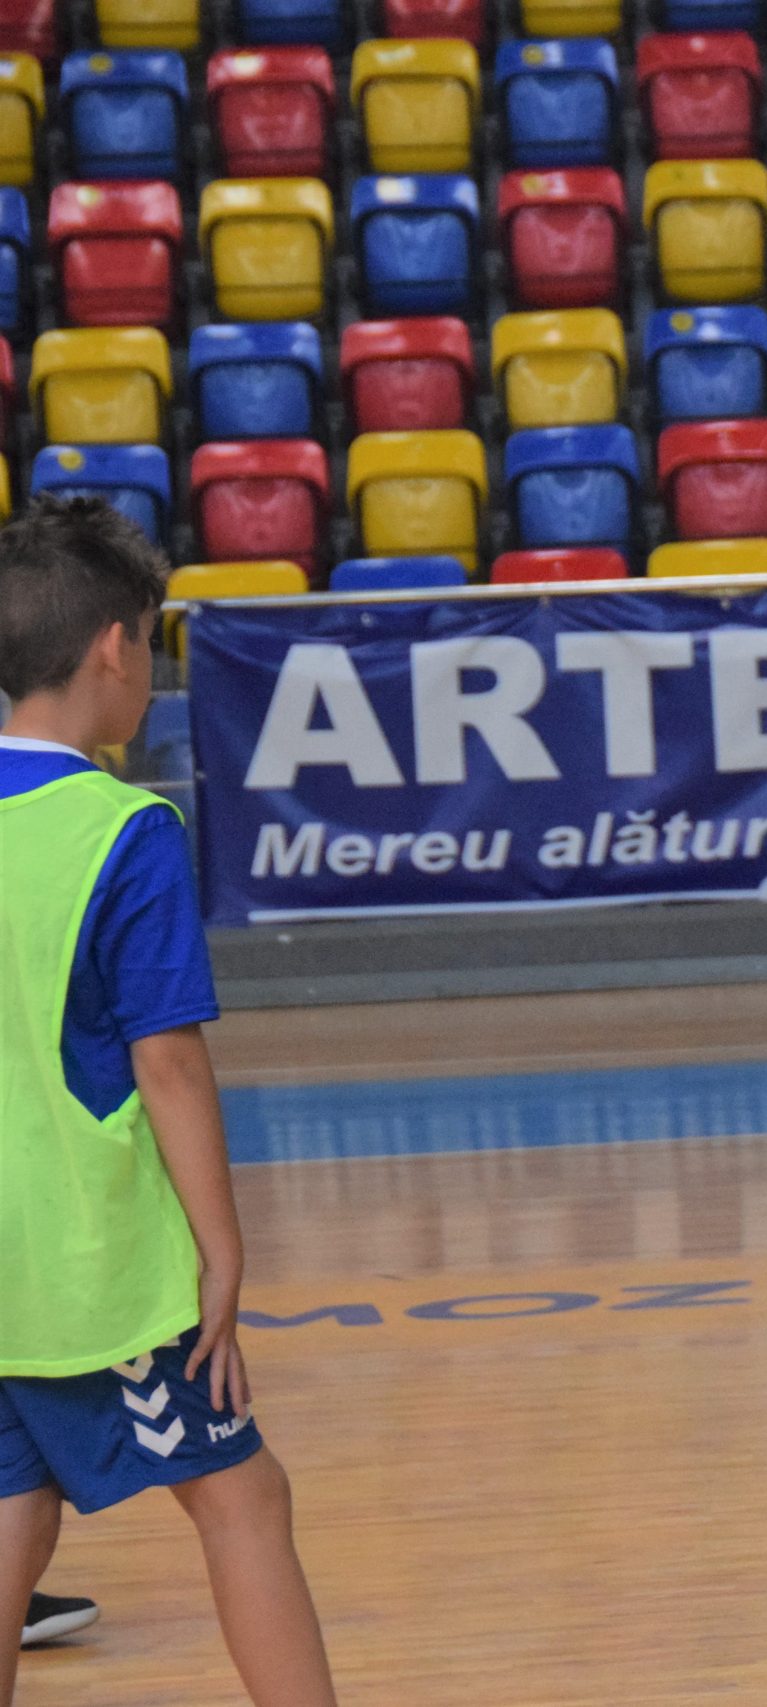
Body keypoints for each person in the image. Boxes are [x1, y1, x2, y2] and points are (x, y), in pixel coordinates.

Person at [0, 500, 337, 1706]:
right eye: (150, 640)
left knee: (13, 1519)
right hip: (92, 1267)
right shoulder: (123, 829)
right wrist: (220, 1248)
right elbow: (170, 1064)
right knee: (244, 1498)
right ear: (112, 647)